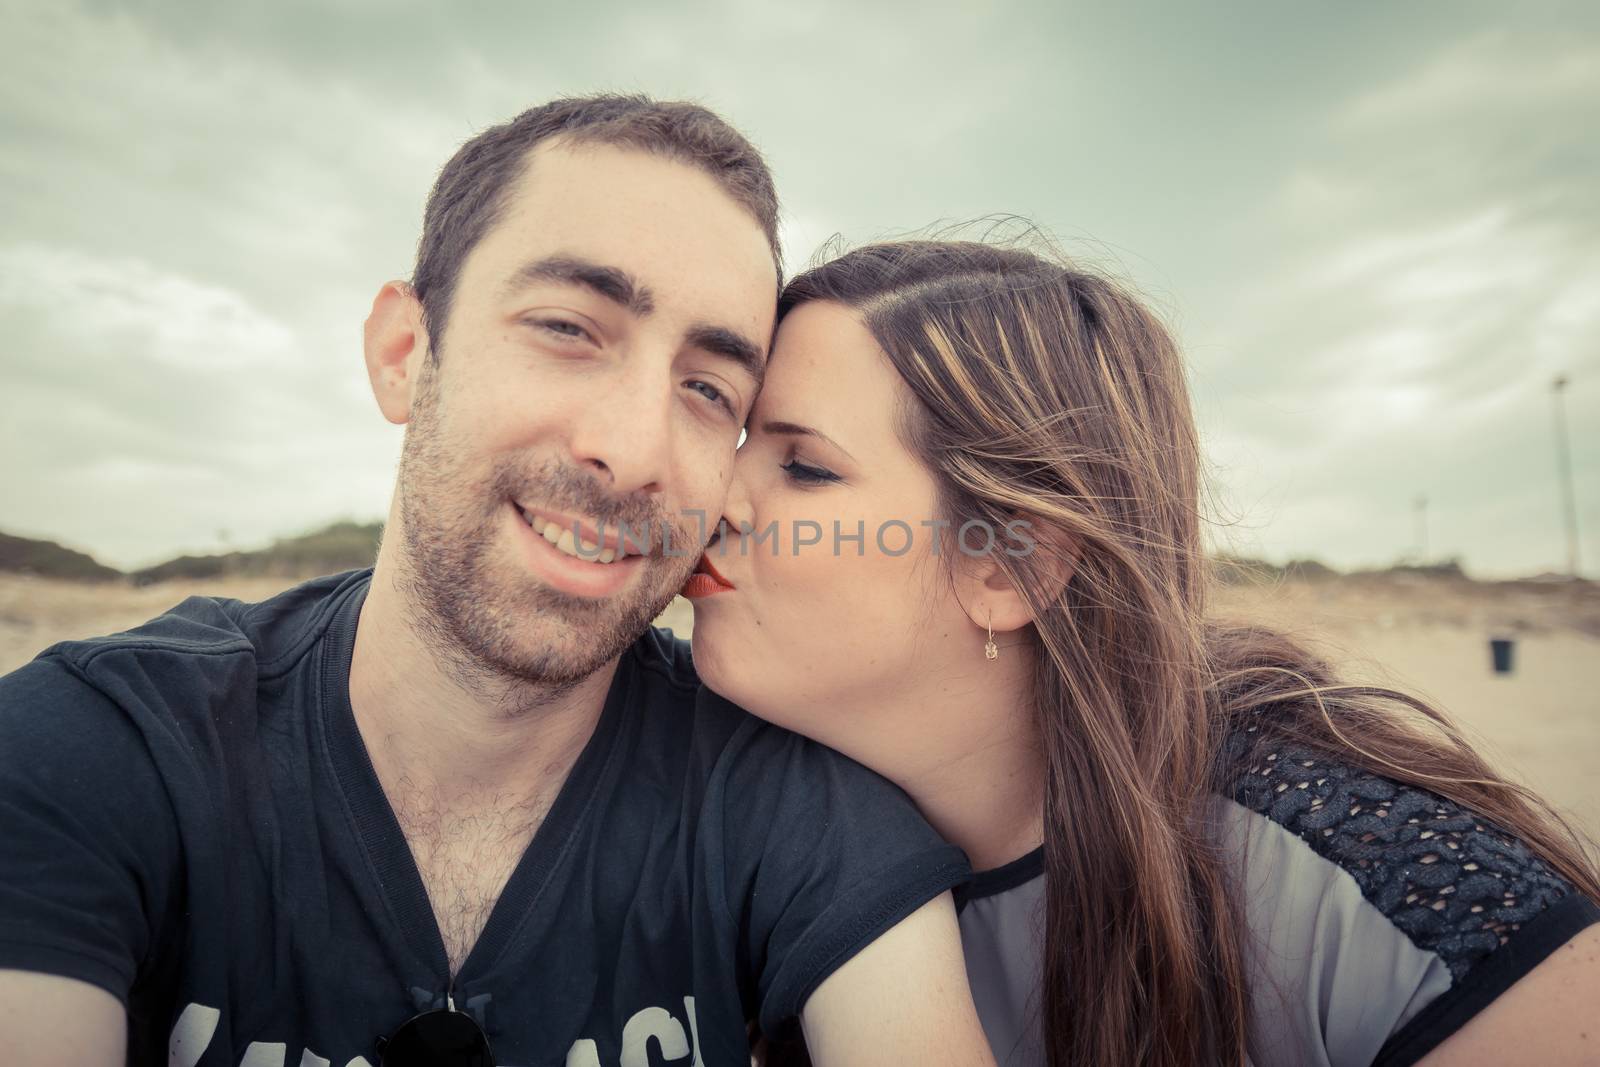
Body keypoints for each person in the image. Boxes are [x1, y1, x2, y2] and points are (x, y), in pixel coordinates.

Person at [0, 99, 998, 1067]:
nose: (633, 448)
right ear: (404, 352)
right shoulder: (99, 750)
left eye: (707, 388)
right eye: (568, 328)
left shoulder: (792, 806)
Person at [686, 238, 1600, 1066]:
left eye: (803, 465)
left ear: (1013, 564)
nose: (714, 492)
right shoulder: (740, 825)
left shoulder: (1374, 885)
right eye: (734, 443)